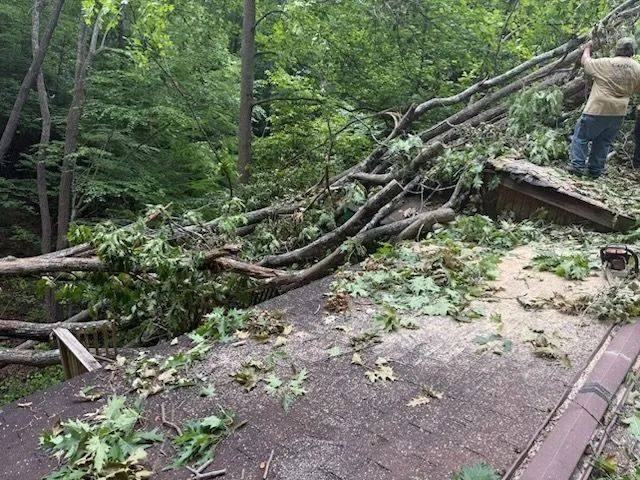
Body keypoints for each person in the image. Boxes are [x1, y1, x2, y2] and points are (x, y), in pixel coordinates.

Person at [568, 37, 640, 178]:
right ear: (632, 51)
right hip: (618, 112)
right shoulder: (638, 68)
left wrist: (587, 48)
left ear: (617, 49)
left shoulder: (606, 63)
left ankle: (577, 166)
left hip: (598, 108)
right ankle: (595, 171)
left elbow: (586, 63)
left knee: (581, 136)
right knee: (603, 142)